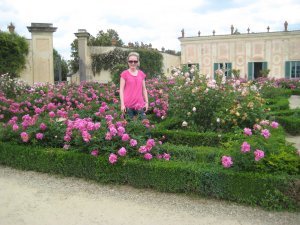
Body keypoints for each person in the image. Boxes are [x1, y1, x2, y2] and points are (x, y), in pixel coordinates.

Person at [119, 52, 149, 120]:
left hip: (140, 105)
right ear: (128, 62)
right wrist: (122, 105)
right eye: (131, 61)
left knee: (144, 126)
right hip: (128, 106)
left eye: (135, 61)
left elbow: (144, 89)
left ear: (138, 62)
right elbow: (121, 90)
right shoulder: (124, 74)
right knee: (129, 127)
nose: (133, 63)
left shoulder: (141, 74)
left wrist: (147, 102)